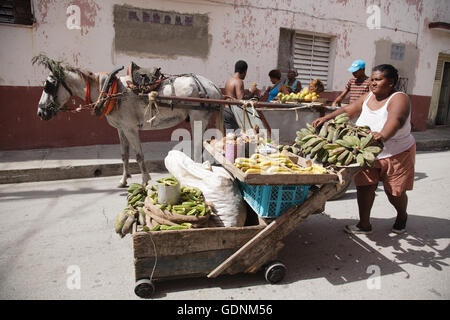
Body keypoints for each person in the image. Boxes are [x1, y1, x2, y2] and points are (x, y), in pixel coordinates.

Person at [312, 64, 416, 235]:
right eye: (372, 80)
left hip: (396, 152)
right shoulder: (369, 96)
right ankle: (364, 224)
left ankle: (402, 215)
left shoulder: (399, 98)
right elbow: (349, 110)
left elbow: (397, 119)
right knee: (364, 188)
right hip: (365, 151)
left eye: (378, 80)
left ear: (390, 82)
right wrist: (327, 117)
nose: (373, 83)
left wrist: (382, 135)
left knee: (395, 192)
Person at [224, 60, 259, 130]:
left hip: (226, 110)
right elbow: (241, 100)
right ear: (244, 71)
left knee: (229, 136)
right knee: (237, 137)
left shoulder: (229, 80)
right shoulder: (239, 81)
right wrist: (251, 92)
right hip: (233, 112)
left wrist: (248, 91)